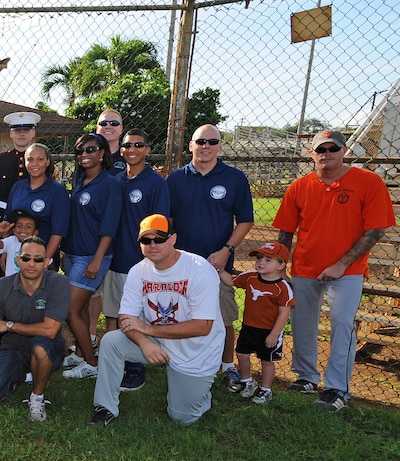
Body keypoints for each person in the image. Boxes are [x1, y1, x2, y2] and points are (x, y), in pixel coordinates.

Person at [273, 130, 397, 411]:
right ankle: (306, 377)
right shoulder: (299, 187)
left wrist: (341, 264)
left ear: (344, 151)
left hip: (348, 270)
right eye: (321, 149)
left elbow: (375, 229)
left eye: (332, 148)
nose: (326, 153)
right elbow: (286, 231)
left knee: (342, 323)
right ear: (312, 153)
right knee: (303, 322)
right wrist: (281, 265)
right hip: (305, 266)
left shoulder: (368, 181)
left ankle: (337, 388)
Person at [87, 214, 225, 426]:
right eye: (146, 240)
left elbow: (203, 326)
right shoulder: (138, 271)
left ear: (173, 239)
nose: (152, 245)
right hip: (157, 341)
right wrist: (144, 342)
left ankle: (200, 396)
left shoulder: (199, 269)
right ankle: (105, 408)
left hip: (196, 351)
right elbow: (126, 317)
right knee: (111, 341)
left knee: (182, 418)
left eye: (159, 239)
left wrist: (148, 331)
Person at [166, 124, 254, 386]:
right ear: (191, 145)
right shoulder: (176, 178)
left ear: (219, 146)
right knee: (180, 314)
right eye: (200, 142)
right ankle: (180, 361)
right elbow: (168, 219)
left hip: (217, 264)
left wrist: (226, 251)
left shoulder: (234, 178)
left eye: (212, 142)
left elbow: (245, 220)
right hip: (181, 262)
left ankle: (227, 367)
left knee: (223, 317)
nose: (205, 147)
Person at [105, 129, 170, 392]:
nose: (132, 149)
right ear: (121, 150)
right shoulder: (116, 181)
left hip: (139, 262)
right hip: (115, 258)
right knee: (113, 312)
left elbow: (161, 224)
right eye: (127, 145)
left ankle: (136, 370)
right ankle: (115, 360)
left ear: (147, 149)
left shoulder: (155, 182)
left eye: (138, 145)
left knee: (135, 315)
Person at [0, 236, 70, 422]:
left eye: (38, 259)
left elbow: (50, 330)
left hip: (48, 345)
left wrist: (10, 325)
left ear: (46, 262)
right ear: (17, 259)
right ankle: (20, 374)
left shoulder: (58, 283)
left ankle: (37, 398)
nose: (31, 263)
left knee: (40, 347)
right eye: (26, 258)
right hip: (13, 348)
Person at [62, 134, 122, 380]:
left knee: (69, 309)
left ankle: (92, 363)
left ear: (102, 153)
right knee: (82, 308)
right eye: (80, 151)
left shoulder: (110, 184)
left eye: (90, 149)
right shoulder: (82, 180)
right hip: (74, 253)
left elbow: (109, 225)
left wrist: (97, 260)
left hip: (91, 257)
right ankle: (79, 352)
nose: (84, 154)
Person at [219, 242, 295, 405]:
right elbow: (231, 281)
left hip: (269, 331)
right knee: (241, 354)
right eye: (259, 258)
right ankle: (247, 381)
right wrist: (218, 269)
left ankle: (266, 389)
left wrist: (275, 334)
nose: (261, 262)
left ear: (281, 265)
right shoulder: (251, 276)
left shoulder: (282, 287)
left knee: (266, 360)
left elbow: (284, 312)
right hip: (248, 327)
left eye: (269, 260)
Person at [5, 143, 70, 265]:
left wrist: (44, 260)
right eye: (30, 159)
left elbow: (58, 231)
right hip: (16, 257)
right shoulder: (18, 187)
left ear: (47, 161)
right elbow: (9, 221)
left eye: (40, 159)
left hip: (42, 257)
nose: (34, 164)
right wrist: (5, 252)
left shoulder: (57, 191)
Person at [0, 111, 40, 216]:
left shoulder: (43, 161)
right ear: (11, 134)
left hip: (34, 214)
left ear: (33, 133)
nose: (22, 134)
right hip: (3, 214)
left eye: (26, 130)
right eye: (17, 130)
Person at [0, 209, 38, 276]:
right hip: (11, 283)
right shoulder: (10, 241)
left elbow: (49, 264)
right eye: (19, 226)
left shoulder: (38, 246)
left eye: (28, 227)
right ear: (14, 231)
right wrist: (0, 232)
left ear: (35, 232)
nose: (23, 229)